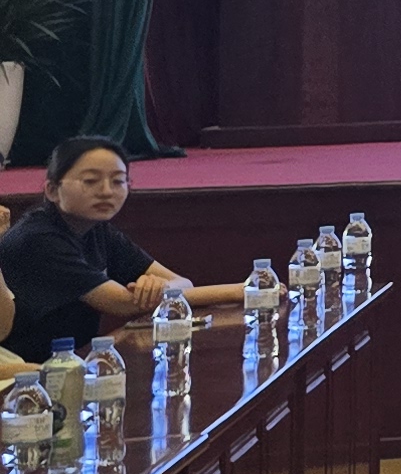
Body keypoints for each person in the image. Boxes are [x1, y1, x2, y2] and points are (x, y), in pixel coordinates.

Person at [2, 138, 247, 365]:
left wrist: (159, 286)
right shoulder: (37, 239)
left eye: (118, 181)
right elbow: (122, 304)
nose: (106, 191)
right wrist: (239, 291)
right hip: (21, 374)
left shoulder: (97, 229)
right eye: (90, 181)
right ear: (52, 190)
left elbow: (182, 283)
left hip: (69, 364)